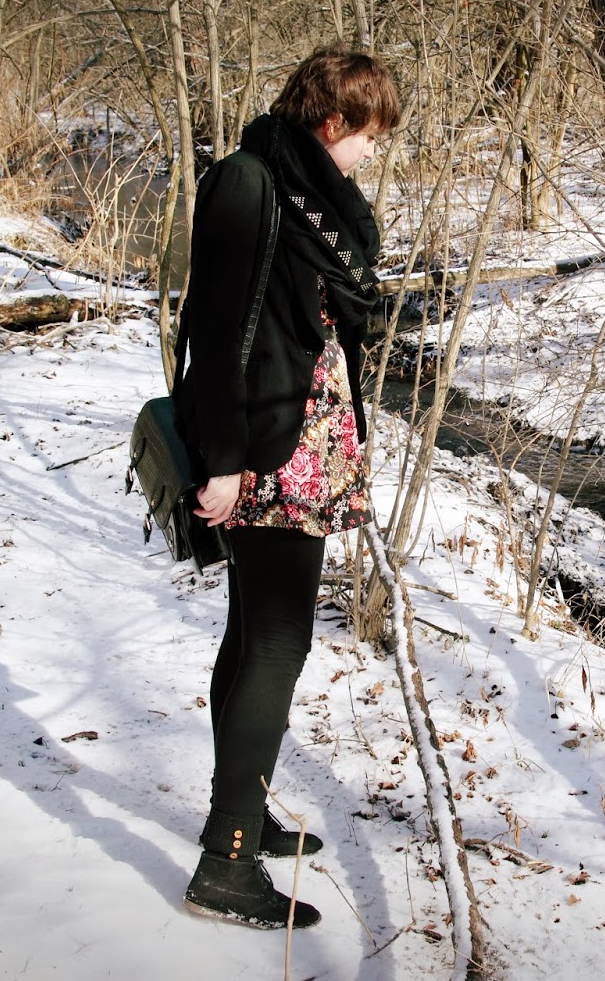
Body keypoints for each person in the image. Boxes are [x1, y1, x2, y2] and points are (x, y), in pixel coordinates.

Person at [173, 46, 400, 929]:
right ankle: (226, 865)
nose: (373, 152)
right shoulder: (249, 181)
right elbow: (218, 326)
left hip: (305, 444)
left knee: (253, 637)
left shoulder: (308, 196)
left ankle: (243, 808)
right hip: (270, 452)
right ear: (332, 121)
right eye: (369, 134)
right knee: (276, 643)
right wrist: (226, 459)